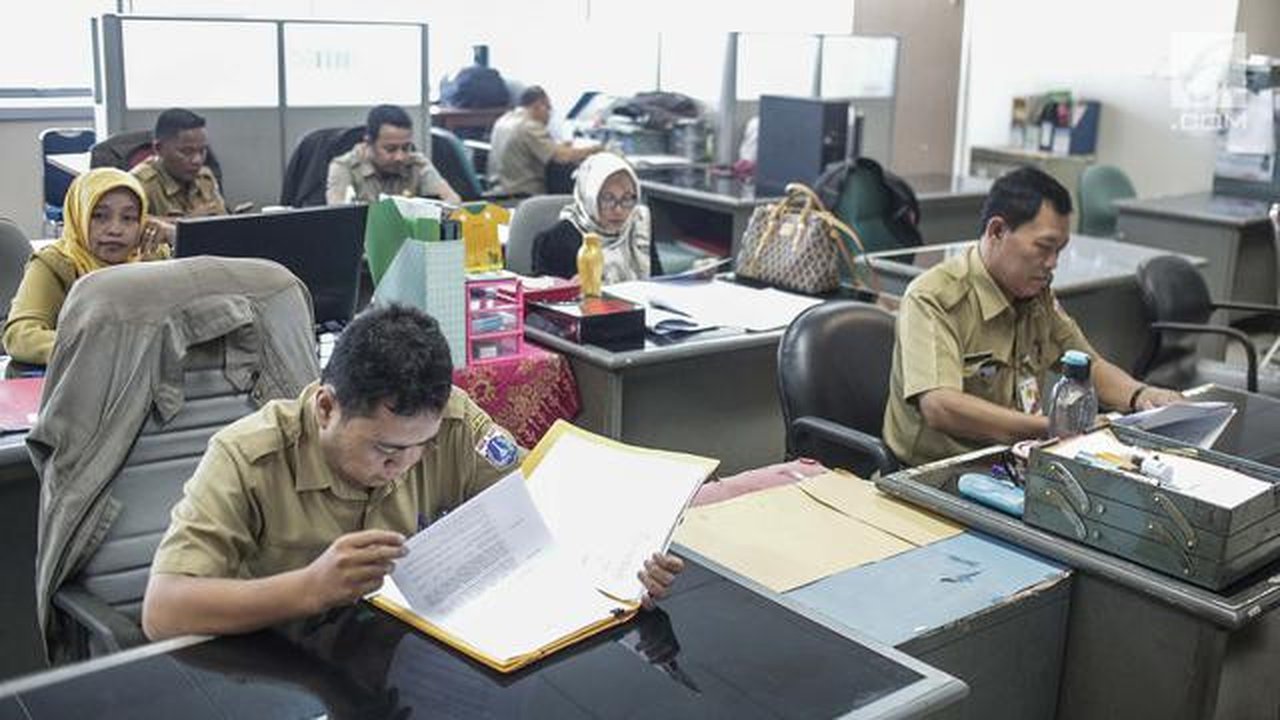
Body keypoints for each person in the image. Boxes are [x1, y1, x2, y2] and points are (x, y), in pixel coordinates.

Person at [141, 304, 683, 640]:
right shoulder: (246, 456)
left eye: (421, 446)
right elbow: (163, 610)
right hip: (279, 662)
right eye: (385, 449)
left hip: (404, 650)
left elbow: (540, 504)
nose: (406, 464)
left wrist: (623, 568)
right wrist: (309, 588)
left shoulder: (448, 420)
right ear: (326, 408)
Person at [883, 166, 1181, 467]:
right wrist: (1053, 427)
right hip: (933, 473)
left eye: (1059, 250)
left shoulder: (1035, 294)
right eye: (1043, 247)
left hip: (1014, 463)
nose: (1052, 263)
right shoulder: (934, 297)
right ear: (997, 231)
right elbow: (941, 406)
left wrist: (1142, 395)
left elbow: (1088, 365)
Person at [3, 168, 168, 366]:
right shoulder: (56, 263)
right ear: (78, 215)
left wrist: (175, 235)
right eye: (99, 216)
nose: (115, 230)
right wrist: (97, 349)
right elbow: (20, 335)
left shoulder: (154, 257)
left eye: (129, 218)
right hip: (78, 382)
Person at [531, 153, 661, 283]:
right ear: (589, 199)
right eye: (608, 199)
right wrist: (567, 290)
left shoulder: (639, 225)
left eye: (627, 198)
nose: (618, 210)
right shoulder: (556, 240)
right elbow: (539, 296)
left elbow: (658, 281)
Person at [326, 105, 461, 205]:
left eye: (406, 147)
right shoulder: (344, 167)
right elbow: (338, 217)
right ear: (368, 143)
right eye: (390, 149)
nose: (400, 157)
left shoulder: (416, 164)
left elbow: (454, 204)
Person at [490, 86, 599, 196]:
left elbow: (539, 147)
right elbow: (562, 157)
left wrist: (563, 146)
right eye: (548, 108)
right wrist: (596, 149)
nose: (549, 114)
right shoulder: (529, 126)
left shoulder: (504, 120)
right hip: (523, 193)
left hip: (500, 189)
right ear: (538, 105)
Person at [131, 108, 228, 221]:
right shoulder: (140, 183)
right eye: (186, 152)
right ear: (158, 148)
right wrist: (188, 222)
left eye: (202, 151)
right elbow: (130, 224)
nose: (197, 160)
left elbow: (221, 217)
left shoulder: (205, 177)